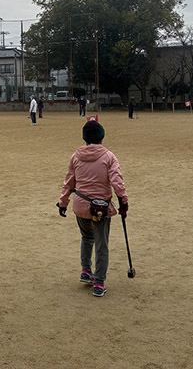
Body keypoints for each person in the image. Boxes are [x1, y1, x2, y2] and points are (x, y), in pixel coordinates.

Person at [56, 120, 128, 298]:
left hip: (81, 205)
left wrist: (63, 203)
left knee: (87, 237)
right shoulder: (109, 157)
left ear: (84, 138)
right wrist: (123, 202)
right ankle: (99, 281)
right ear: (102, 137)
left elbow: (69, 183)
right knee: (101, 244)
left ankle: (86, 271)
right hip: (100, 209)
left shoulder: (75, 156)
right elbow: (117, 182)